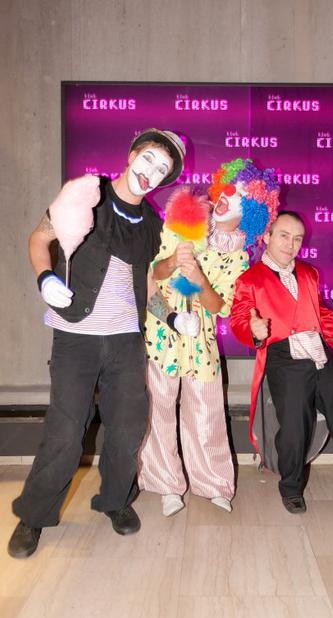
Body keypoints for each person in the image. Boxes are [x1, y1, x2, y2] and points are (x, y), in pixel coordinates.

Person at [8, 128, 200, 558]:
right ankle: (34, 515)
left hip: (126, 341)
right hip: (76, 338)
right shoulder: (87, 194)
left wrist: (171, 317)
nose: (151, 172)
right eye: (149, 159)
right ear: (132, 154)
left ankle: (115, 500)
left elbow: (146, 285)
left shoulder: (151, 224)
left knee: (129, 427)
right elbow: (39, 238)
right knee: (65, 431)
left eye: (162, 170)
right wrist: (45, 277)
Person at [138, 158, 280, 516]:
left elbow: (221, 307)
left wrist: (200, 281)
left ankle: (213, 484)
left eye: (240, 194)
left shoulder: (239, 259)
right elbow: (153, 273)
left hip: (200, 340)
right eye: (228, 186)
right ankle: (166, 483)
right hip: (163, 328)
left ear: (251, 212)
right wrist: (174, 261)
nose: (227, 194)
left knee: (206, 411)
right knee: (159, 409)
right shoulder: (184, 221)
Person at [230, 211, 333, 514]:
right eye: (284, 236)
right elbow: (239, 319)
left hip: (318, 350)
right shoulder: (249, 279)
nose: (291, 244)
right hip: (284, 357)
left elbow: (323, 317)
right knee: (295, 425)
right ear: (267, 237)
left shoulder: (310, 273)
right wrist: (253, 330)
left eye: (297, 239)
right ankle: (291, 487)